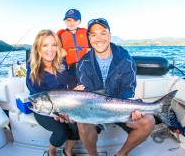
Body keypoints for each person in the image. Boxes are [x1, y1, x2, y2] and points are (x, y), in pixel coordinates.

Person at [75, 18, 156, 156]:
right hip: (93, 109)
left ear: (110, 35)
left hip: (120, 109)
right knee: (82, 123)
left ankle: (121, 154)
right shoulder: (84, 63)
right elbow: (87, 92)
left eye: (103, 33)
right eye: (93, 35)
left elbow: (127, 89)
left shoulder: (125, 59)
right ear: (89, 38)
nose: (98, 38)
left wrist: (129, 108)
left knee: (149, 121)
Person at [26, 29, 79, 156]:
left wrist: (76, 88)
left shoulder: (62, 63)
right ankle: (52, 152)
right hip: (44, 110)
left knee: (77, 126)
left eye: (54, 45)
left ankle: (68, 151)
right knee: (62, 132)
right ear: (38, 48)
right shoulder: (32, 73)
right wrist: (57, 111)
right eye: (45, 45)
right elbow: (39, 100)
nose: (50, 49)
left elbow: (71, 76)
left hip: (65, 103)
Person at [57, 9, 89, 89]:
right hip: (70, 70)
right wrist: (59, 51)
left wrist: (91, 50)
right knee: (73, 91)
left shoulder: (86, 34)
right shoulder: (60, 36)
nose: (71, 23)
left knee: (86, 89)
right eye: (69, 20)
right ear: (65, 22)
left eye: (75, 20)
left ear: (79, 22)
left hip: (86, 68)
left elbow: (95, 46)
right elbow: (54, 50)